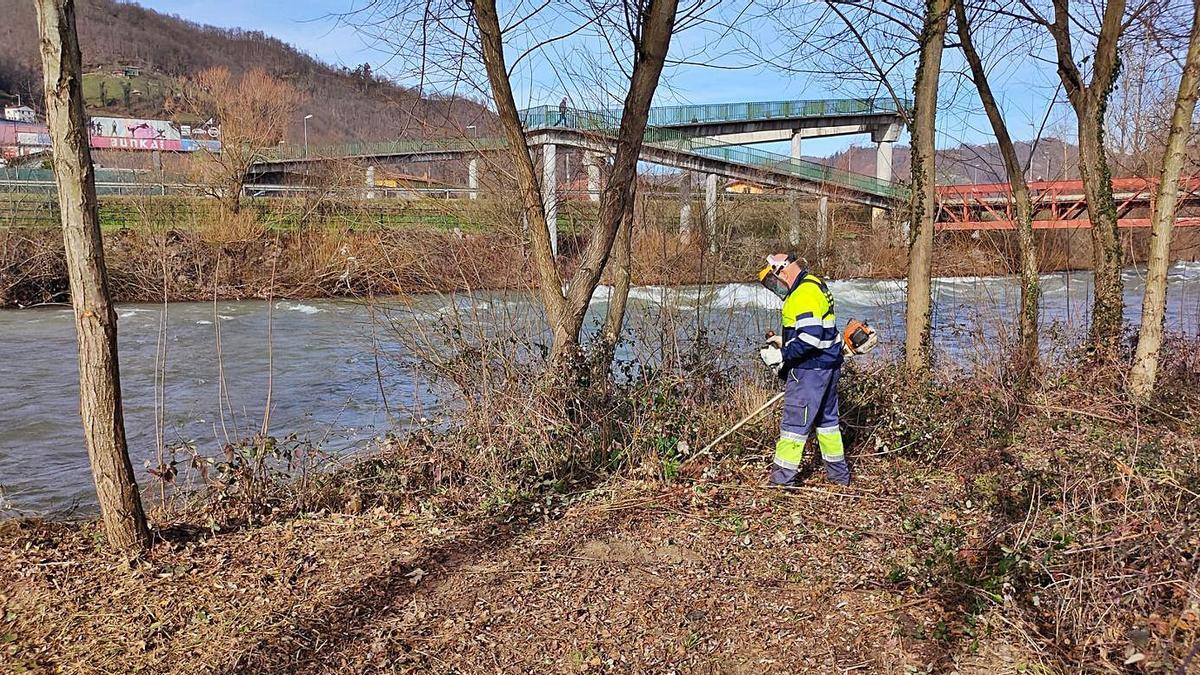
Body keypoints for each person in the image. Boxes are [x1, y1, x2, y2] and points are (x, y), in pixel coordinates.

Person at [757, 253, 850, 486]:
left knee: (794, 427)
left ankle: (781, 481)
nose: (776, 287)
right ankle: (839, 477)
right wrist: (784, 341)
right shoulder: (814, 284)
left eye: (774, 280)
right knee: (827, 424)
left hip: (809, 370)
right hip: (828, 365)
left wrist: (783, 355)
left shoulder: (802, 294)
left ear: (783, 271)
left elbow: (810, 338)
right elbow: (817, 328)